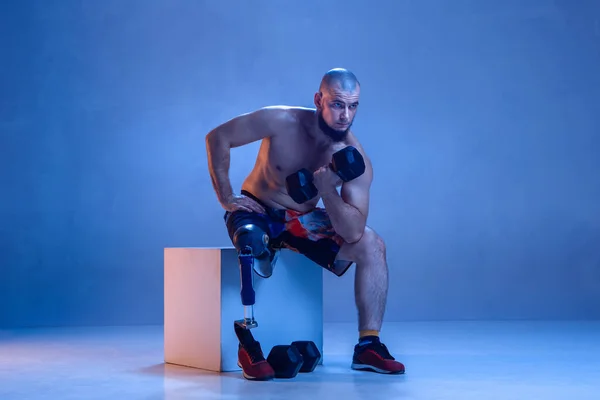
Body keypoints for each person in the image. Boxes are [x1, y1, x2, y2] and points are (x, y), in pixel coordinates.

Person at [205, 68, 405, 380]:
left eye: (353, 106)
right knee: (250, 241)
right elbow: (219, 137)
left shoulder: (352, 158)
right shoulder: (281, 120)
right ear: (318, 100)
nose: (345, 116)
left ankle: (369, 345)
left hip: (301, 221)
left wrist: (326, 189)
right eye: (338, 104)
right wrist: (225, 195)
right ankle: (248, 343)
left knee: (372, 244)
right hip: (257, 208)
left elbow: (351, 232)